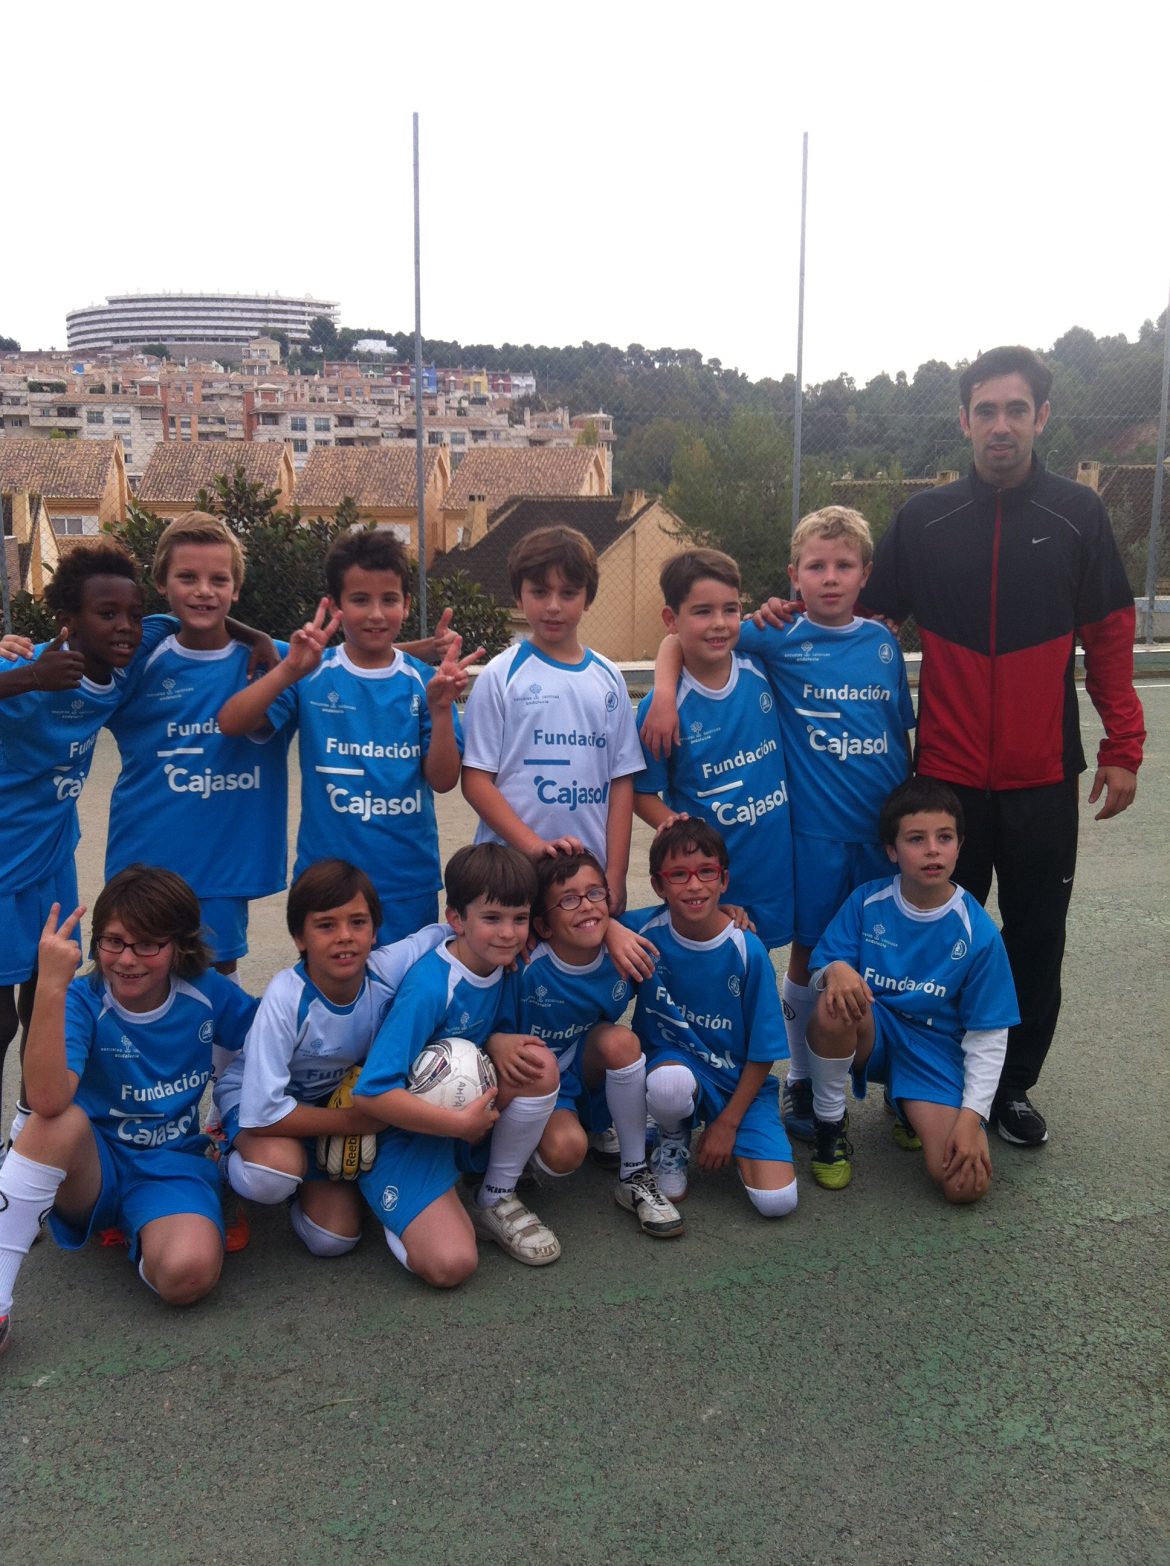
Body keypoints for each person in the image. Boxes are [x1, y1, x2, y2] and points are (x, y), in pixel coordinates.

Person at [856, 346, 1145, 1145]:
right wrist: (779, 624)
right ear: (964, 421)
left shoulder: (1077, 514)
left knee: (1034, 936)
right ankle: (923, 1075)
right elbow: (864, 620)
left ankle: (1010, 1086)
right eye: (986, 411)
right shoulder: (925, 519)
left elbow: (1110, 637)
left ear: (1042, 418)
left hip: (1042, 776)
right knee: (932, 933)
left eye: (1017, 410)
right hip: (943, 780)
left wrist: (1125, 743)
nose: (1002, 426)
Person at [0, 867, 259, 1355]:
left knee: (187, 1277)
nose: (126, 959)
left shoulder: (206, 991)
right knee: (57, 1120)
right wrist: (52, 988)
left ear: (178, 946)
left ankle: (147, 1227)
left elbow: (272, 1036)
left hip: (171, 1165)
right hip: (91, 1168)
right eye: (112, 942)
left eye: (147, 945)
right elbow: (48, 1098)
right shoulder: (82, 997)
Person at [217, 528, 479, 944]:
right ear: (336, 605)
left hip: (405, 880)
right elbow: (231, 723)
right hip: (326, 883)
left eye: (389, 600)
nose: (376, 614)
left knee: (401, 999)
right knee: (332, 998)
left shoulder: (425, 682)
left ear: (407, 605)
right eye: (360, 600)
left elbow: (444, 781)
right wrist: (288, 671)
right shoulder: (310, 673)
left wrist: (442, 709)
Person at [0, 543, 165, 1151]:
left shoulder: (122, 663)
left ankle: (25, 1133)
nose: (124, 626)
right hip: (2, 868)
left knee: (49, 1004)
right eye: (106, 614)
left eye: (133, 613)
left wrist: (255, 639)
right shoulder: (34, 674)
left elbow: (202, 620)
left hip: (52, 863)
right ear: (69, 619)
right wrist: (27, 676)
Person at [213, 859, 449, 1260]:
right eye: (326, 925)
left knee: (333, 1241)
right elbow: (264, 1111)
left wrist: (497, 939)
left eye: (358, 923)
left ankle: (306, 1183)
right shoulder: (286, 998)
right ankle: (221, 1158)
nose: (345, 937)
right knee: (272, 1174)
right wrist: (355, 1122)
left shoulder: (385, 968)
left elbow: (443, 932)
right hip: (256, 1104)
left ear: (375, 931)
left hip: (322, 1108)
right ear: (299, 937)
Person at [352, 845, 561, 1280]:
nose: (508, 933)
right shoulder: (430, 986)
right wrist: (457, 1127)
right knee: (452, 1265)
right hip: (407, 1136)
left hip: (467, 1119)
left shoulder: (503, 967)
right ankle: (395, 1202)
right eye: (492, 918)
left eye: (519, 919)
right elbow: (370, 1093)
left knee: (537, 1065)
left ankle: (494, 1196)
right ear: (456, 919)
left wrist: (500, 1039)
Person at [805, 778, 1019, 1202]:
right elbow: (818, 970)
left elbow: (988, 1036)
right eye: (916, 839)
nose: (933, 850)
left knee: (963, 1186)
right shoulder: (868, 902)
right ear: (891, 850)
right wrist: (835, 969)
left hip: (935, 1053)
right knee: (834, 1004)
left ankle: (908, 1107)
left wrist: (971, 1119)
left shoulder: (976, 932)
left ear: (960, 845)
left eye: (944, 838)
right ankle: (828, 1123)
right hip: (877, 1032)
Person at [104, 513, 291, 983]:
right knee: (133, 981)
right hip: (143, 862)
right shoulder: (138, 654)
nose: (204, 590)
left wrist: (424, 649)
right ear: (162, 583)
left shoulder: (274, 662)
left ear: (236, 588)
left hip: (223, 868)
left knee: (214, 984)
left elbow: (350, 659)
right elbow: (67, 654)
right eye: (187, 577)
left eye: (218, 579)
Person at [491, 850, 684, 1238]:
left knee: (621, 1041)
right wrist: (495, 1042)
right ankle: (517, 1156)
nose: (586, 907)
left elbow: (684, 911)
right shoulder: (523, 963)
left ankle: (634, 1176)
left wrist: (732, 910)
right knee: (566, 1151)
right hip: (534, 1084)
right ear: (542, 925)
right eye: (568, 899)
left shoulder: (627, 942)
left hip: (583, 1071)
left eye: (595, 893)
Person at [460, 526, 643, 917]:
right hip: (512, 876)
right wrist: (531, 846)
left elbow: (621, 782)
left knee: (579, 973)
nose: (553, 606)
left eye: (568, 593)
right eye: (540, 592)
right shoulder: (500, 676)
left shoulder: (609, 678)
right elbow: (476, 781)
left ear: (588, 598)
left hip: (585, 884)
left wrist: (615, 872)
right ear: (518, 595)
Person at [629, 820, 797, 1219]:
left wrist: (728, 1124)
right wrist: (613, 935)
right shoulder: (643, 931)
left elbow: (763, 1052)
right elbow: (588, 926)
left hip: (739, 1082)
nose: (694, 885)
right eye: (679, 875)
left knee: (777, 1202)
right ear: (658, 885)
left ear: (724, 880)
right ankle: (674, 1131)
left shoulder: (747, 949)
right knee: (669, 1086)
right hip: (677, 1067)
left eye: (706, 872)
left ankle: (735, 1129)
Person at [632, 546, 795, 952]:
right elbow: (641, 793)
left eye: (730, 609)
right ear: (672, 618)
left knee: (780, 963)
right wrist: (682, 830)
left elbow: (809, 619)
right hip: (710, 886)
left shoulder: (759, 664)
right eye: (703, 611)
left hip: (777, 872)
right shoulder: (660, 710)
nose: (719, 624)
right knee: (720, 974)